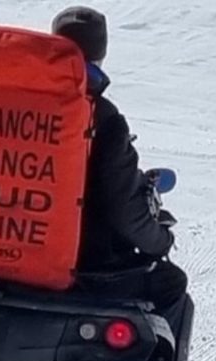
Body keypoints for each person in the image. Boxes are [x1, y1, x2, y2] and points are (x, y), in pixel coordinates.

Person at [51, 6, 189, 332]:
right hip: (83, 271)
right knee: (171, 283)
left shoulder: (14, 98)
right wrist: (160, 241)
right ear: (100, 54)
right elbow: (125, 210)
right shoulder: (102, 117)